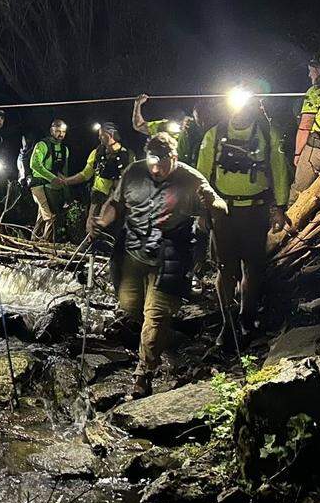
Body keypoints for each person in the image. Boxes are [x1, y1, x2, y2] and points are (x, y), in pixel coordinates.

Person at [90, 133, 225, 398]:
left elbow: (220, 207)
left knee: (157, 314)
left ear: (173, 159)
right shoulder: (134, 172)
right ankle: (165, 341)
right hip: (135, 248)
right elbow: (114, 204)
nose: (156, 170)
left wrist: (211, 202)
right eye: (152, 163)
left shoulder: (190, 179)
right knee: (130, 306)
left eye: (161, 165)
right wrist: (102, 221)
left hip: (171, 250)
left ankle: (143, 375)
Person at [196, 93, 290, 348]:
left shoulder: (267, 134)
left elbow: (280, 169)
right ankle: (228, 324)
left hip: (255, 210)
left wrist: (280, 207)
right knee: (225, 269)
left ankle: (246, 317)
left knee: (253, 268)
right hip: (223, 212)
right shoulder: (213, 136)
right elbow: (201, 177)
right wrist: (202, 212)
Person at [56, 122, 133, 237]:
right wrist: (66, 181)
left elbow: (129, 181)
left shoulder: (126, 156)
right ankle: (90, 247)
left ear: (111, 134)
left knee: (111, 229)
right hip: (98, 195)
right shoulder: (97, 152)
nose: (99, 137)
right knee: (91, 226)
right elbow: (85, 174)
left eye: (101, 135)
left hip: (115, 199)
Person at [292, 58, 320, 201]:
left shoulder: (316, 91)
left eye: (310, 71)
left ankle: (290, 218)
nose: (309, 75)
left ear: (319, 70)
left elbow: (305, 127)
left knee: (298, 188)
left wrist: (298, 154)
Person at [133, 95, 204, 167]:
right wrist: (137, 104)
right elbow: (138, 125)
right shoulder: (164, 126)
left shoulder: (197, 128)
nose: (182, 123)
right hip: (164, 166)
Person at [29, 119, 71, 242]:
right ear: (51, 130)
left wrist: (66, 190)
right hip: (38, 185)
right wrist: (52, 178)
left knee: (42, 215)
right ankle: (46, 244)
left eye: (63, 132)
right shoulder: (42, 145)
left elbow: (64, 172)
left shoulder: (65, 149)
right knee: (50, 216)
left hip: (51, 187)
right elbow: (35, 164)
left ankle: (33, 241)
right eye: (58, 131)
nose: (61, 134)